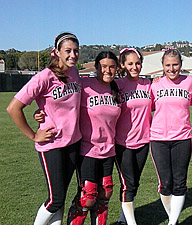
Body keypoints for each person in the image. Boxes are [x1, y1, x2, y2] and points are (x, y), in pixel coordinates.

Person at [6, 32, 82, 225]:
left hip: (73, 143)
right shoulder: (44, 77)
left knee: (61, 196)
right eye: (67, 51)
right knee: (55, 198)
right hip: (52, 145)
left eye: (76, 51)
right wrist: (33, 135)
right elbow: (13, 108)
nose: (72, 55)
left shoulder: (74, 73)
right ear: (56, 52)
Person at [67, 51, 121, 225]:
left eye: (111, 67)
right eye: (103, 66)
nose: (107, 70)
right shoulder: (85, 85)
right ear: (96, 67)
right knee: (88, 196)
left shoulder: (117, 89)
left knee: (106, 192)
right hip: (87, 150)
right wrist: (41, 113)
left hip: (109, 150)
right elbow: (62, 99)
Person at [150, 49, 192, 225]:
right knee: (165, 184)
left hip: (182, 138)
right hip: (159, 139)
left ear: (181, 65)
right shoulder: (154, 85)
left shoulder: (190, 82)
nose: (172, 69)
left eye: (175, 64)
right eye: (168, 65)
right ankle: (173, 219)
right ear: (162, 66)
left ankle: (172, 222)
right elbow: (145, 109)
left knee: (179, 183)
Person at [114, 48, 152, 225]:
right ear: (122, 65)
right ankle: (128, 221)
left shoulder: (148, 84)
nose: (134, 67)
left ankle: (125, 216)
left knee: (134, 182)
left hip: (144, 141)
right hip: (122, 143)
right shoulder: (117, 84)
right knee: (128, 182)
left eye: (137, 63)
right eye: (130, 63)